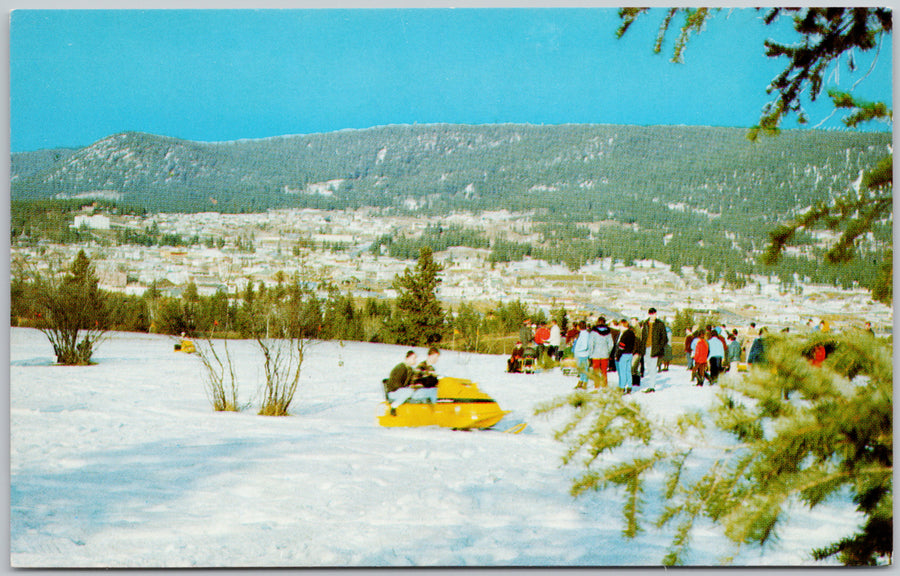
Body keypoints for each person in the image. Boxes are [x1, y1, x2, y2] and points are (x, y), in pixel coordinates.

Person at [639, 308, 668, 392]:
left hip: (654, 348)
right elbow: (643, 337)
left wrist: (659, 347)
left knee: (653, 367)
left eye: (655, 314)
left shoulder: (660, 324)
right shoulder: (645, 323)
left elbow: (664, 338)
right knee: (648, 367)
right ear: (649, 315)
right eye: (652, 314)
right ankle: (651, 384)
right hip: (646, 348)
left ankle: (652, 386)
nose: (653, 316)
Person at [590, 317, 614, 389]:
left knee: (596, 371)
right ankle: (604, 385)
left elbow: (591, 344)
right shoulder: (608, 332)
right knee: (604, 371)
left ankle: (597, 385)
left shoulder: (593, 332)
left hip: (595, 354)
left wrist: (590, 353)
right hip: (605, 354)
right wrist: (608, 351)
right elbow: (611, 344)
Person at [615, 319, 636, 394]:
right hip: (630, 354)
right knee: (628, 371)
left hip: (623, 355)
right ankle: (629, 386)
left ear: (623, 326)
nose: (619, 327)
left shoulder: (624, 334)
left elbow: (621, 347)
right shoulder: (632, 333)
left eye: (620, 326)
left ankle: (622, 387)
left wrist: (617, 355)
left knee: (622, 372)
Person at [571, 321, 592, 389]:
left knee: (584, 369)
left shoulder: (585, 334)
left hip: (583, 354)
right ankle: (581, 381)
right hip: (581, 354)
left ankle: (584, 383)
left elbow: (584, 345)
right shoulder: (584, 334)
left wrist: (578, 350)